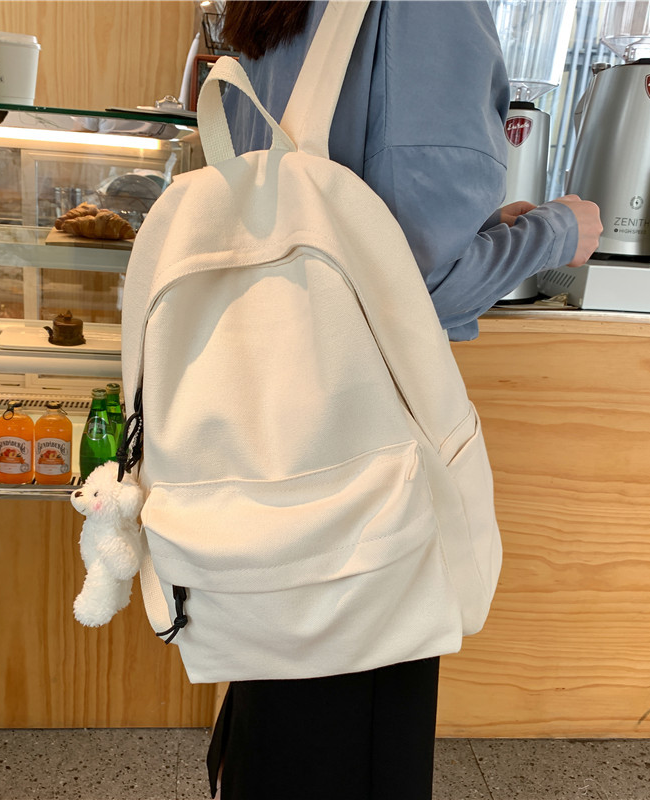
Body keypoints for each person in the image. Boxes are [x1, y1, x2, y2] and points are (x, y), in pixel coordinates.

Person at [206, 2, 603, 799]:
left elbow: (322, 213)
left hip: (270, 403)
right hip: (367, 432)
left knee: (284, 687)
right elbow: (416, 283)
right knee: (354, 718)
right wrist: (560, 231)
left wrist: (480, 228)